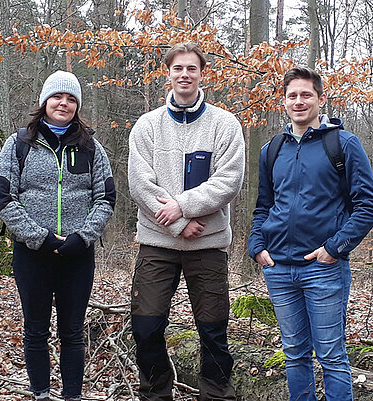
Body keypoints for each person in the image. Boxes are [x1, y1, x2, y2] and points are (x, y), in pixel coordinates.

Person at [248, 67, 373, 400]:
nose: (299, 101)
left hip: (323, 268)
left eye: (306, 94)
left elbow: (368, 205)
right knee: (294, 353)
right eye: (292, 95)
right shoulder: (271, 150)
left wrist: (334, 248)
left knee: (332, 356)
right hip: (278, 268)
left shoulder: (342, 144)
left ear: (320, 99)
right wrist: (256, 244)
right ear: (283, 102)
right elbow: (264, 205)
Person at [127, 42, 245, 401]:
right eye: (178, 68)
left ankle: (215, 393)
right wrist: (178, 224)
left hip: (207, 245)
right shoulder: (147, 126)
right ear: (168, 73)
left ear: (201, 74)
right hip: (157, 244)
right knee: (146, 327)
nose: (184, 75)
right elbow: (140, 184)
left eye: (191, 69)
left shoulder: (224, 124)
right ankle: (156, 392)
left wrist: (181, 206)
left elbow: (228, 182)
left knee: (212, 329)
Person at [0, 70, 115, 401]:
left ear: (77, 105)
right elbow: (4, 197)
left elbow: (106, 198)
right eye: (57, 97)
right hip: (32, 254)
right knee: (35, 330)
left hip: (78, 255)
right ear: (45, 101)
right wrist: (39, 236)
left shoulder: (92, 147)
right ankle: (40, 394)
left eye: (71, 99)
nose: (63, 103)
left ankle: (72, 395)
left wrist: (83, 236)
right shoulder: (18, 144)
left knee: (73, 332)